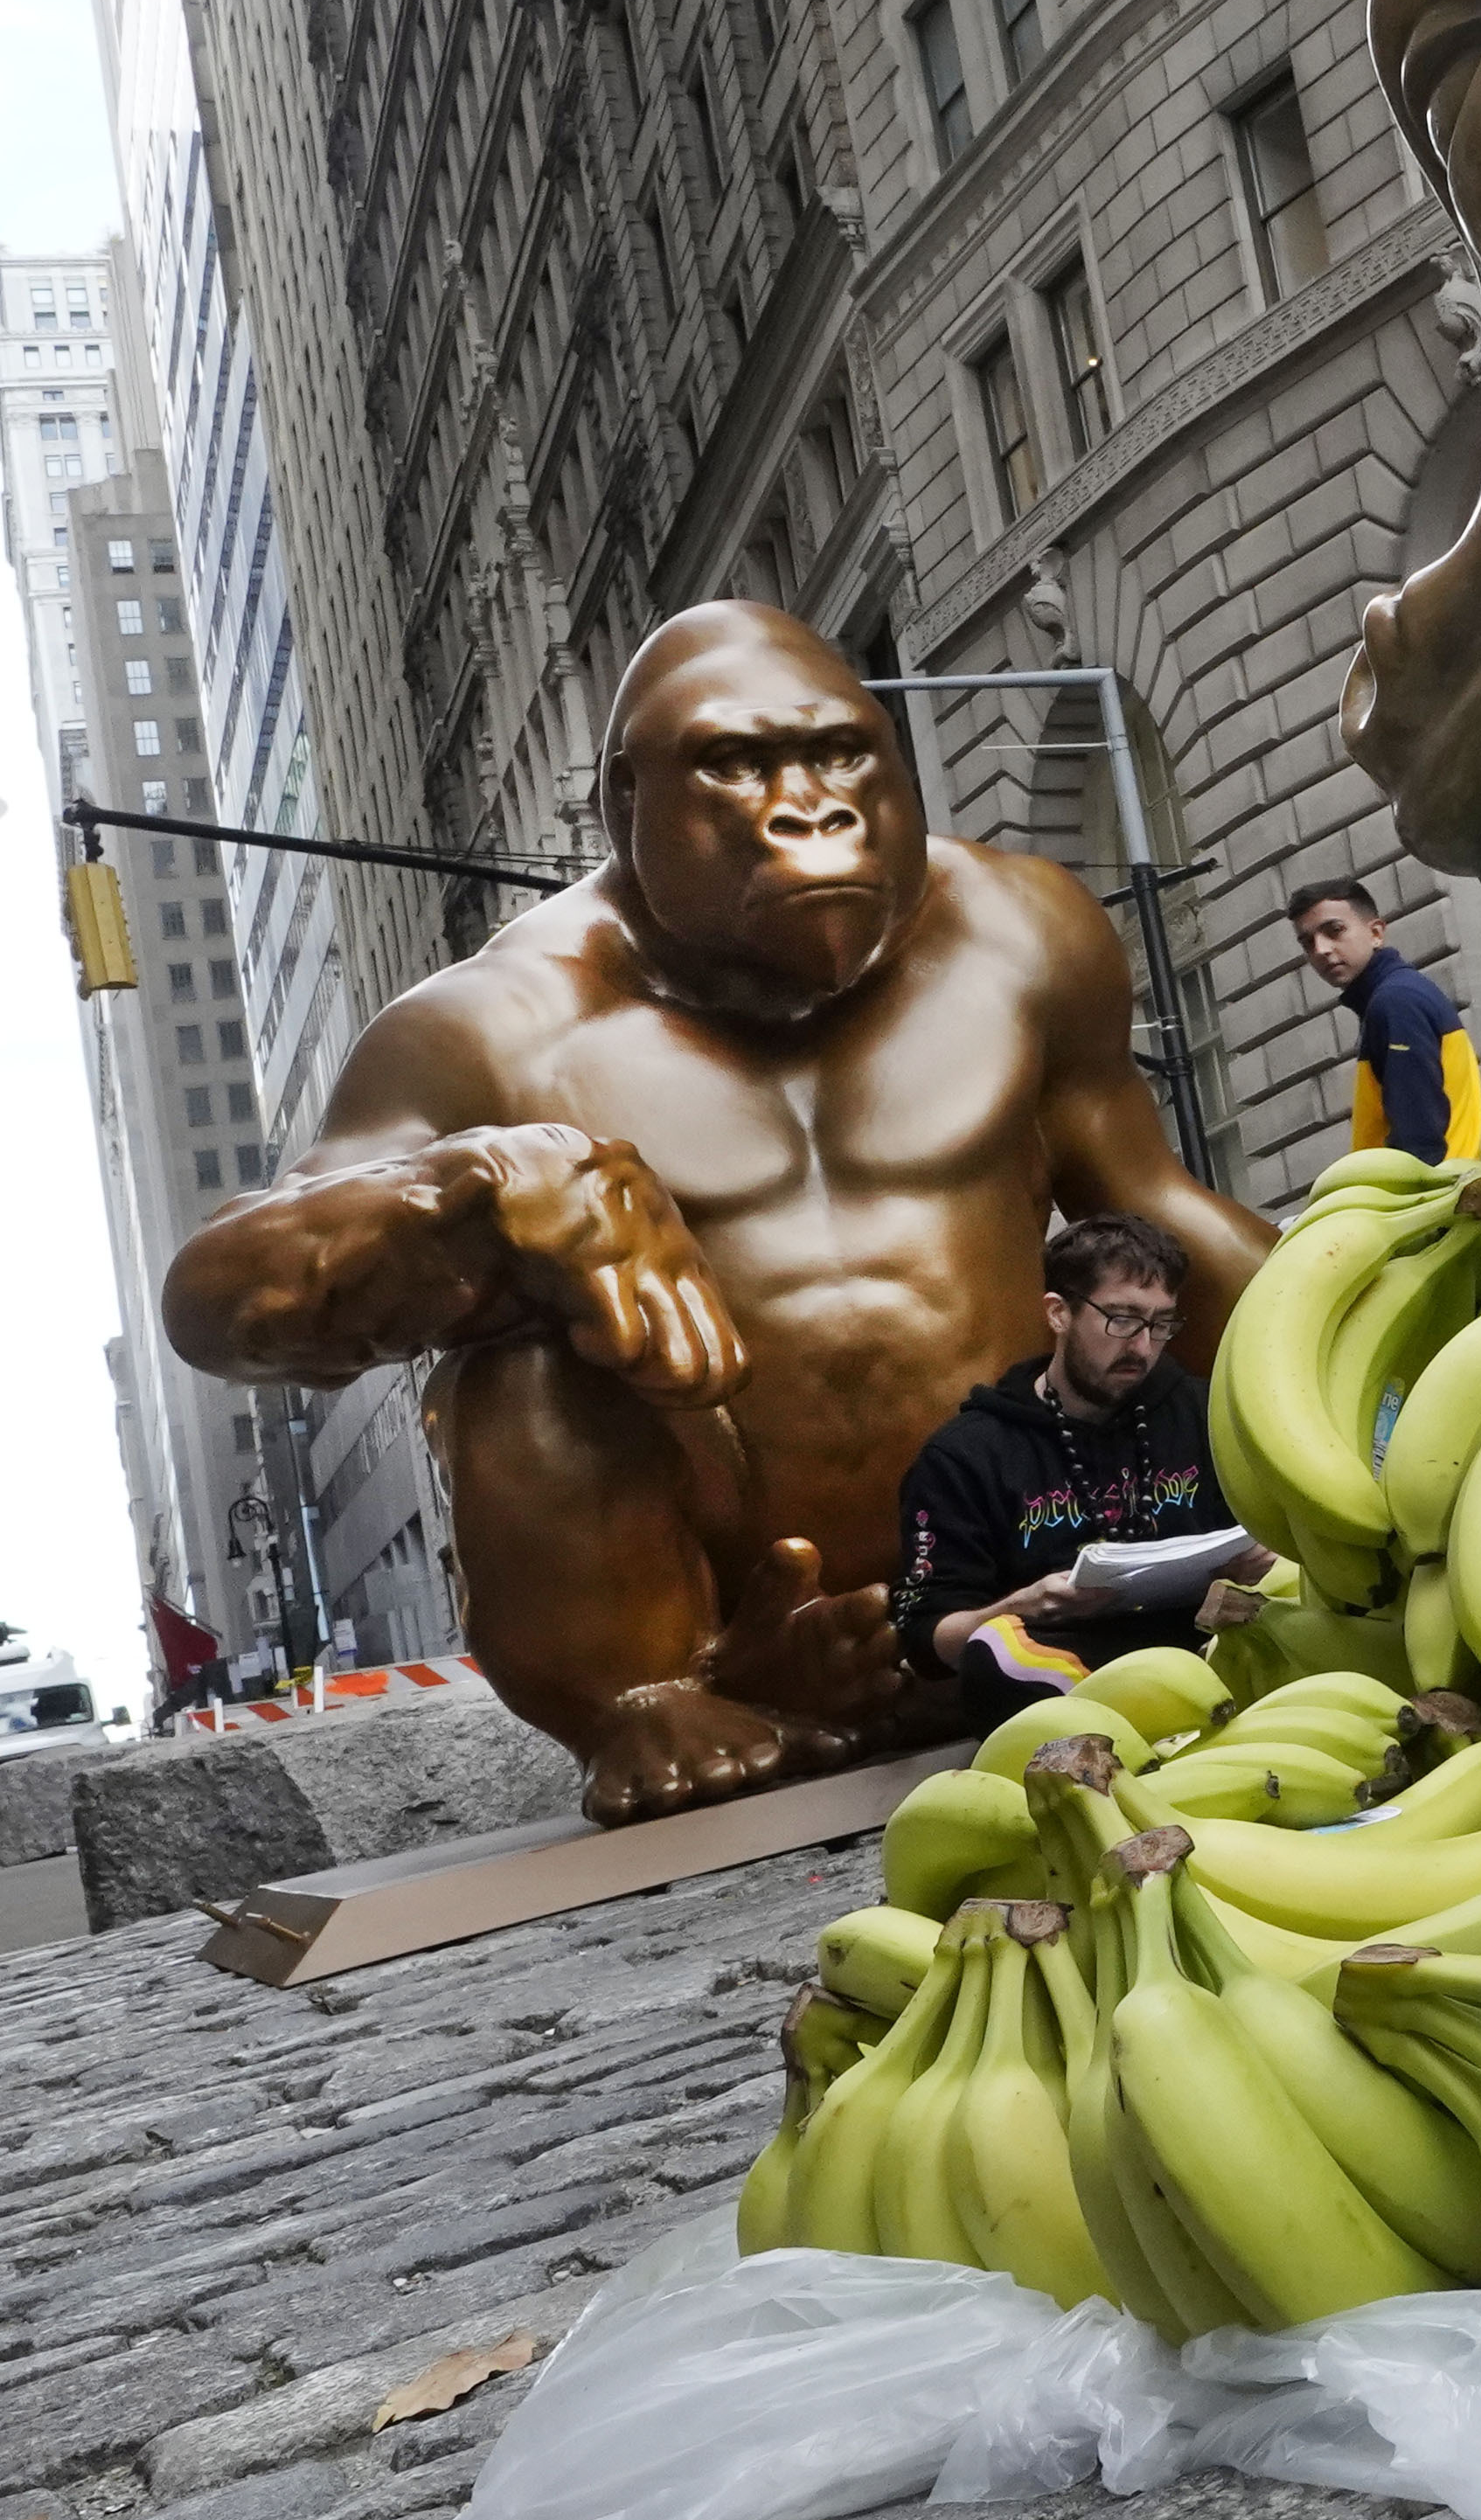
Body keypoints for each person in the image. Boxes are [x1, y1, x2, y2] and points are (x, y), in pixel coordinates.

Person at [162, 602, 1271, 1820]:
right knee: (518, 1357)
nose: (811, 805)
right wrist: (470, 1189)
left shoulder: (1025, 930)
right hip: (731, 1622)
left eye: (840, 753)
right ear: (626, 802)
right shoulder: (492, 1027)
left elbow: (1159, 1218)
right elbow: (221, 1302)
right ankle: (645, 1696)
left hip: (1032, 1554)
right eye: (740, 766)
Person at [891, 1211, 1238, 1713]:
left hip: (1212, 1633)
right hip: (1068, 1661)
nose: (1142, 1346)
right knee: (995, 1662)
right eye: (1121, 1318)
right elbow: (926, 1640)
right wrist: (1019, 1606)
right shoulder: (965, 1455)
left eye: (1161, 1324)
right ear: (1059, 1313)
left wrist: (1262, 1560)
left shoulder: (1206, 1412)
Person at [1293, 878, 1481, 1163]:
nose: (1320, 949)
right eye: (1308, 942)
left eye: (1334, 931)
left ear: (1376, 933)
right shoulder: (1397, 996)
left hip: (1429, 1199)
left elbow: (1419, 1138)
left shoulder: (1396, 1001)